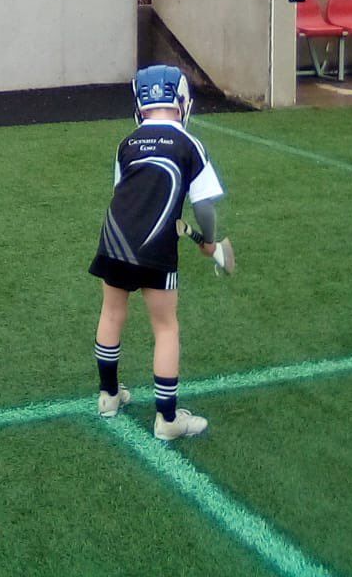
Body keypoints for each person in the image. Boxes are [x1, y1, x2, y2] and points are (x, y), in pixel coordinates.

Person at [90, 65, 232, 441]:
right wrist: (210, 241)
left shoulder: (127, 143)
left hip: (115, 240)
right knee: (165, 327)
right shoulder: (189, 144)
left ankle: (108, 396)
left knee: (111, 312)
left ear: (139, 103)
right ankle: (167, 420)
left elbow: (124, 195)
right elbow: (204, 208)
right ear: (182, 100)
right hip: (156, 251)